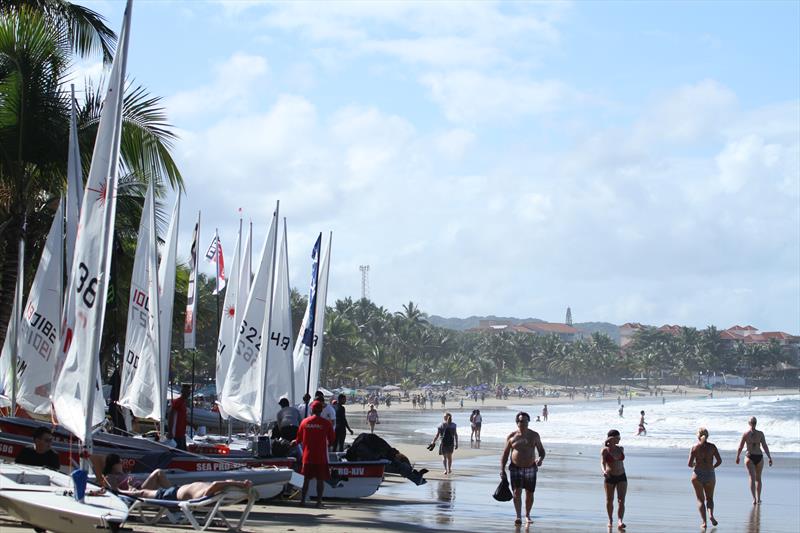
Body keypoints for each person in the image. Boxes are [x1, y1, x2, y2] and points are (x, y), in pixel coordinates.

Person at [103, 454, 252, 500]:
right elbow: (114, 490)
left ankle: (131, 491)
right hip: (172, 493)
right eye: (119, 461)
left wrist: (239, 484)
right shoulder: (110, 476)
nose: (122, 463)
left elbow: (217, 484)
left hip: (171, 494)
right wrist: (239, 484)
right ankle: (131, 491)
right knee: (141, 490)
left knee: (141, 491)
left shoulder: (212, 489)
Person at [501, 411, 545, 525]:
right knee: (516, 492)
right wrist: (502, 470)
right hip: (515, 468)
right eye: (521, 421)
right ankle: (518, 516)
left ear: (528, 422)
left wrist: (540, 459)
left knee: (530, 493)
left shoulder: (534, 435)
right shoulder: (511, 436)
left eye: (526, 421)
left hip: (531, 467)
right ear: (517, 422)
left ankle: (527, 515)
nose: (523, 423)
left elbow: (542, 451)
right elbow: (505, 454)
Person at [292, 400, 336, 507]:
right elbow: (332, 439)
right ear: (321, 410)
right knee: (320, 480)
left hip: (307, 456)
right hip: (321, 456)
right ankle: (319, 502)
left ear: (311, 409)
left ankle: (302, 501)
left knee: (306, 479)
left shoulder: (304, 422)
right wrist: (328, 444)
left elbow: (298, 439)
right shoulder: (326, 423)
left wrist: (292, 443)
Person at [689, 427, 722, 529]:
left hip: (697, 475)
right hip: (710, 474)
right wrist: (713, 467)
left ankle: (704, 522)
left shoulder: (694, 448)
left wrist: (695, 464)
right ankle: (711, 515)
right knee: (710, 498)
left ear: (698, 436)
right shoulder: (712, 447)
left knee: (700, 500)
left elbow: (689, 464)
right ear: (707, 436)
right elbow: (719, 461)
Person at [735, 416, 773, 505]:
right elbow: (764, 446)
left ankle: (754, 499)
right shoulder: (760, 434)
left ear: (749, 423)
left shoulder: (745, 434)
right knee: (758, 478)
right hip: (759, 456)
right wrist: (769, 457)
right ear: (756, 423)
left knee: (752, 478)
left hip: (749, 457)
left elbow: (740, 446)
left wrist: (737, 457)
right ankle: (759, 498)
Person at [601, 429, 627, 530]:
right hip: (610, 477)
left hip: (622, 476)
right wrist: (603, 471)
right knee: (609, 500)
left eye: (620, 438)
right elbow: (602, 462)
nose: (619, 439)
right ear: (612, 438)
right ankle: (610, 520)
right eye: (618, 438)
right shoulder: (605, 450)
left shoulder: (621, 448)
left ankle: (620, 521)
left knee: (621, 500)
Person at [168, 383, 191, 450]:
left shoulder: (184, 403)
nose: (188, 394)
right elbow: (170, 415)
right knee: (177, 452)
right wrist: (170, 431)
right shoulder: (177, 402)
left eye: (189, 392)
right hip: (176, 434)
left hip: (182, 434)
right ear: (182, 392)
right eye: (187, 392)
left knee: (184, 453)